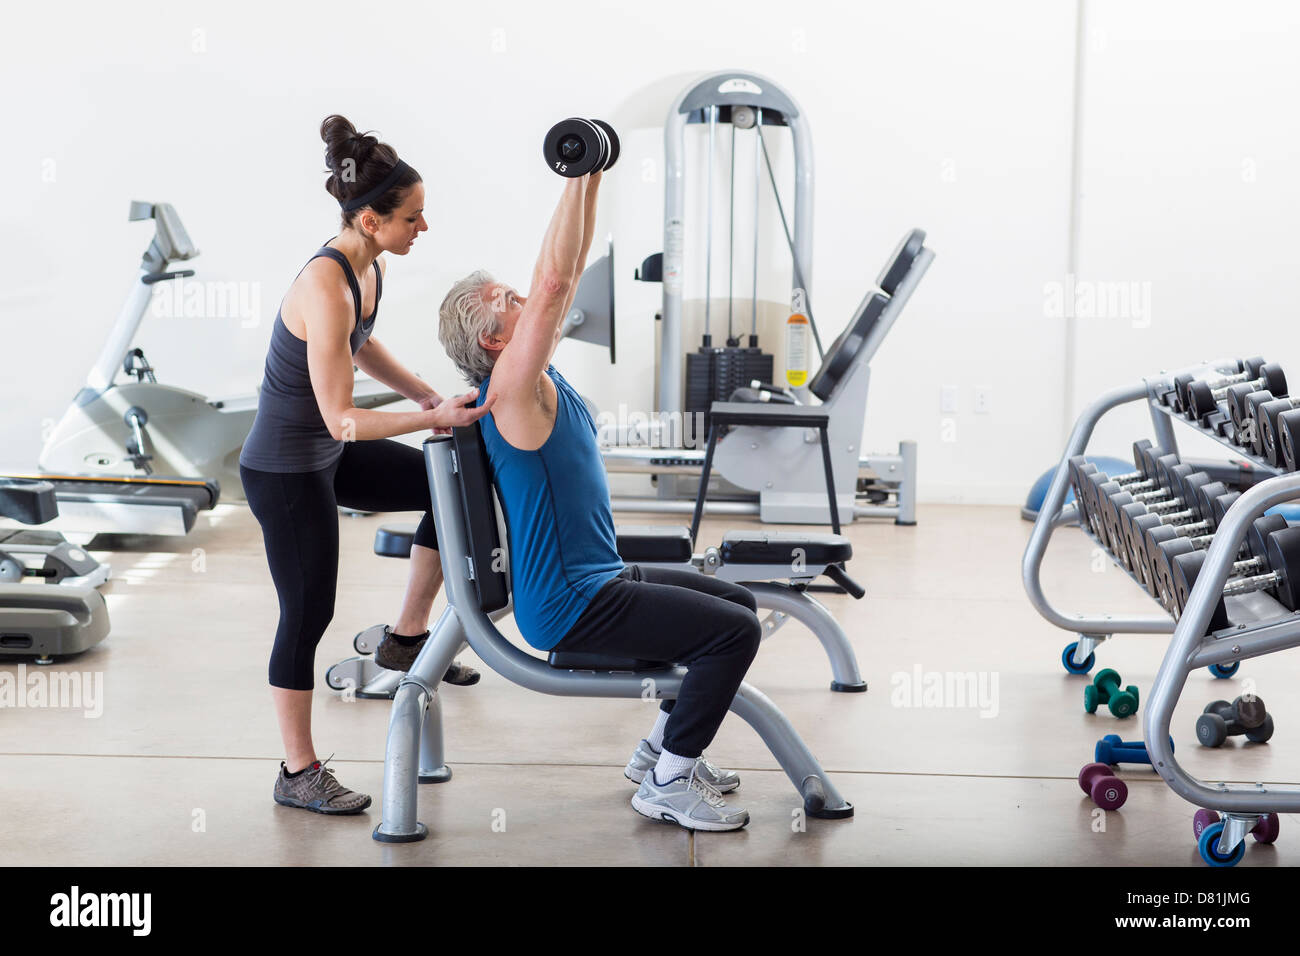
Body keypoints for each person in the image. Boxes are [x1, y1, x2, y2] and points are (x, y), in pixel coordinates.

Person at [437, 169, 761, 831]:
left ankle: (656, 754)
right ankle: (667, 784)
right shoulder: (512, 390)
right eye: (509, 297)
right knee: (735, 634)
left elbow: (569, 270)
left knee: (738, 603)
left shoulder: (532, 375)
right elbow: (555, 283)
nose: (531, 294)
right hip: (573, 603)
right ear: (496, 341)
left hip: (595, 580)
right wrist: (576, 174)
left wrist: (588, 177)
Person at [240, 115, 494, 815]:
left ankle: (406, 639)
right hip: (287, 470)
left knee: (448, 490)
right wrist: (436, 418)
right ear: (373, 219)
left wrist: (424, 393)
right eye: (412, 217)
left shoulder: (367, 265)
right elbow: (343, 421)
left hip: (324, 454)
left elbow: (362, 345)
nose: (423, 227)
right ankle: (297, 772)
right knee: (307, 611)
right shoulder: (324, 283)